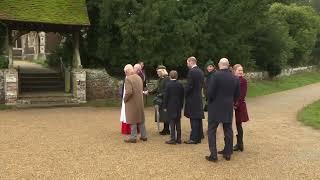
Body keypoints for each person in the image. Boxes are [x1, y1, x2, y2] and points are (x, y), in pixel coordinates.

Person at [206, 58, 240, 162]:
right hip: (227, 107)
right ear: (228, 65)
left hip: (215, 107)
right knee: (228, 130)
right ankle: (228, 153)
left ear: (219, 65)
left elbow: (210, 92)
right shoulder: (234, 77)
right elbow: (237, 95)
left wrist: (210, 101)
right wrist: (231, 102)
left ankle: (213, 155)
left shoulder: (214, 75)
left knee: (211, 131)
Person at [122, 64, 147, 143]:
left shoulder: (128, 79)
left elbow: (129, 92)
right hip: (140, 102)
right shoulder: (139, 77)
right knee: (140, 119)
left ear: (127, 71)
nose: (125, 74)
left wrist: (124, 99)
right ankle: (144, 136)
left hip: (132, 102)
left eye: (125, 72)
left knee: (132, 119)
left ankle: (133, 137)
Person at [184, 56, 205, 144]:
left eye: (187, 62)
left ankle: (194, 138)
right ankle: (200, 135)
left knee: (193, 118)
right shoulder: (200, 71)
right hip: (198, 96)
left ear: (191, 62)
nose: (187, 64)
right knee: (198, 117)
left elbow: (190, 86)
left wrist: (184, 93)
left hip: (192, 98)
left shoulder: (192, 72)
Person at [163, 70, 184, 145]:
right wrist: (181, 105)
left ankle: (172, 139)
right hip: (178, 105)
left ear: (170, 76)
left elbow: (166, 96)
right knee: (178, 122)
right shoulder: (180, 84)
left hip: (170, 105)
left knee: (172, 122)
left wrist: (164, 106)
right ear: (177, 76)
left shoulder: (168, 85)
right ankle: (179, 138)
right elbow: (182, 96)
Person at [232, 64, 249, 152]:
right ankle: (239, 144)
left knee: (238, 125)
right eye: (239, 70)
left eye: (241, 70)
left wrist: (235, 105)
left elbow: (241, 95)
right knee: (237, 125)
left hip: (239, 107)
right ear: (234, 71)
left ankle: (240, 144)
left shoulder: (243, 81)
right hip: (236, 106)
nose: (240, 72)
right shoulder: (235, 80)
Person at [152, 65, 170, 135]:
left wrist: (160, 95)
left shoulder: (167, 79)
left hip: (165, 99)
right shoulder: (160, 79)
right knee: (162, 114)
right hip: (160, 99)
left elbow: (166, 90)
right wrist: (149, 92)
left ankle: (167, 129)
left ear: (162, 71)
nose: (157, 73)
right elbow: (157, 88)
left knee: (165, 114)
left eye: (158, 72)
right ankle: (165, 129)